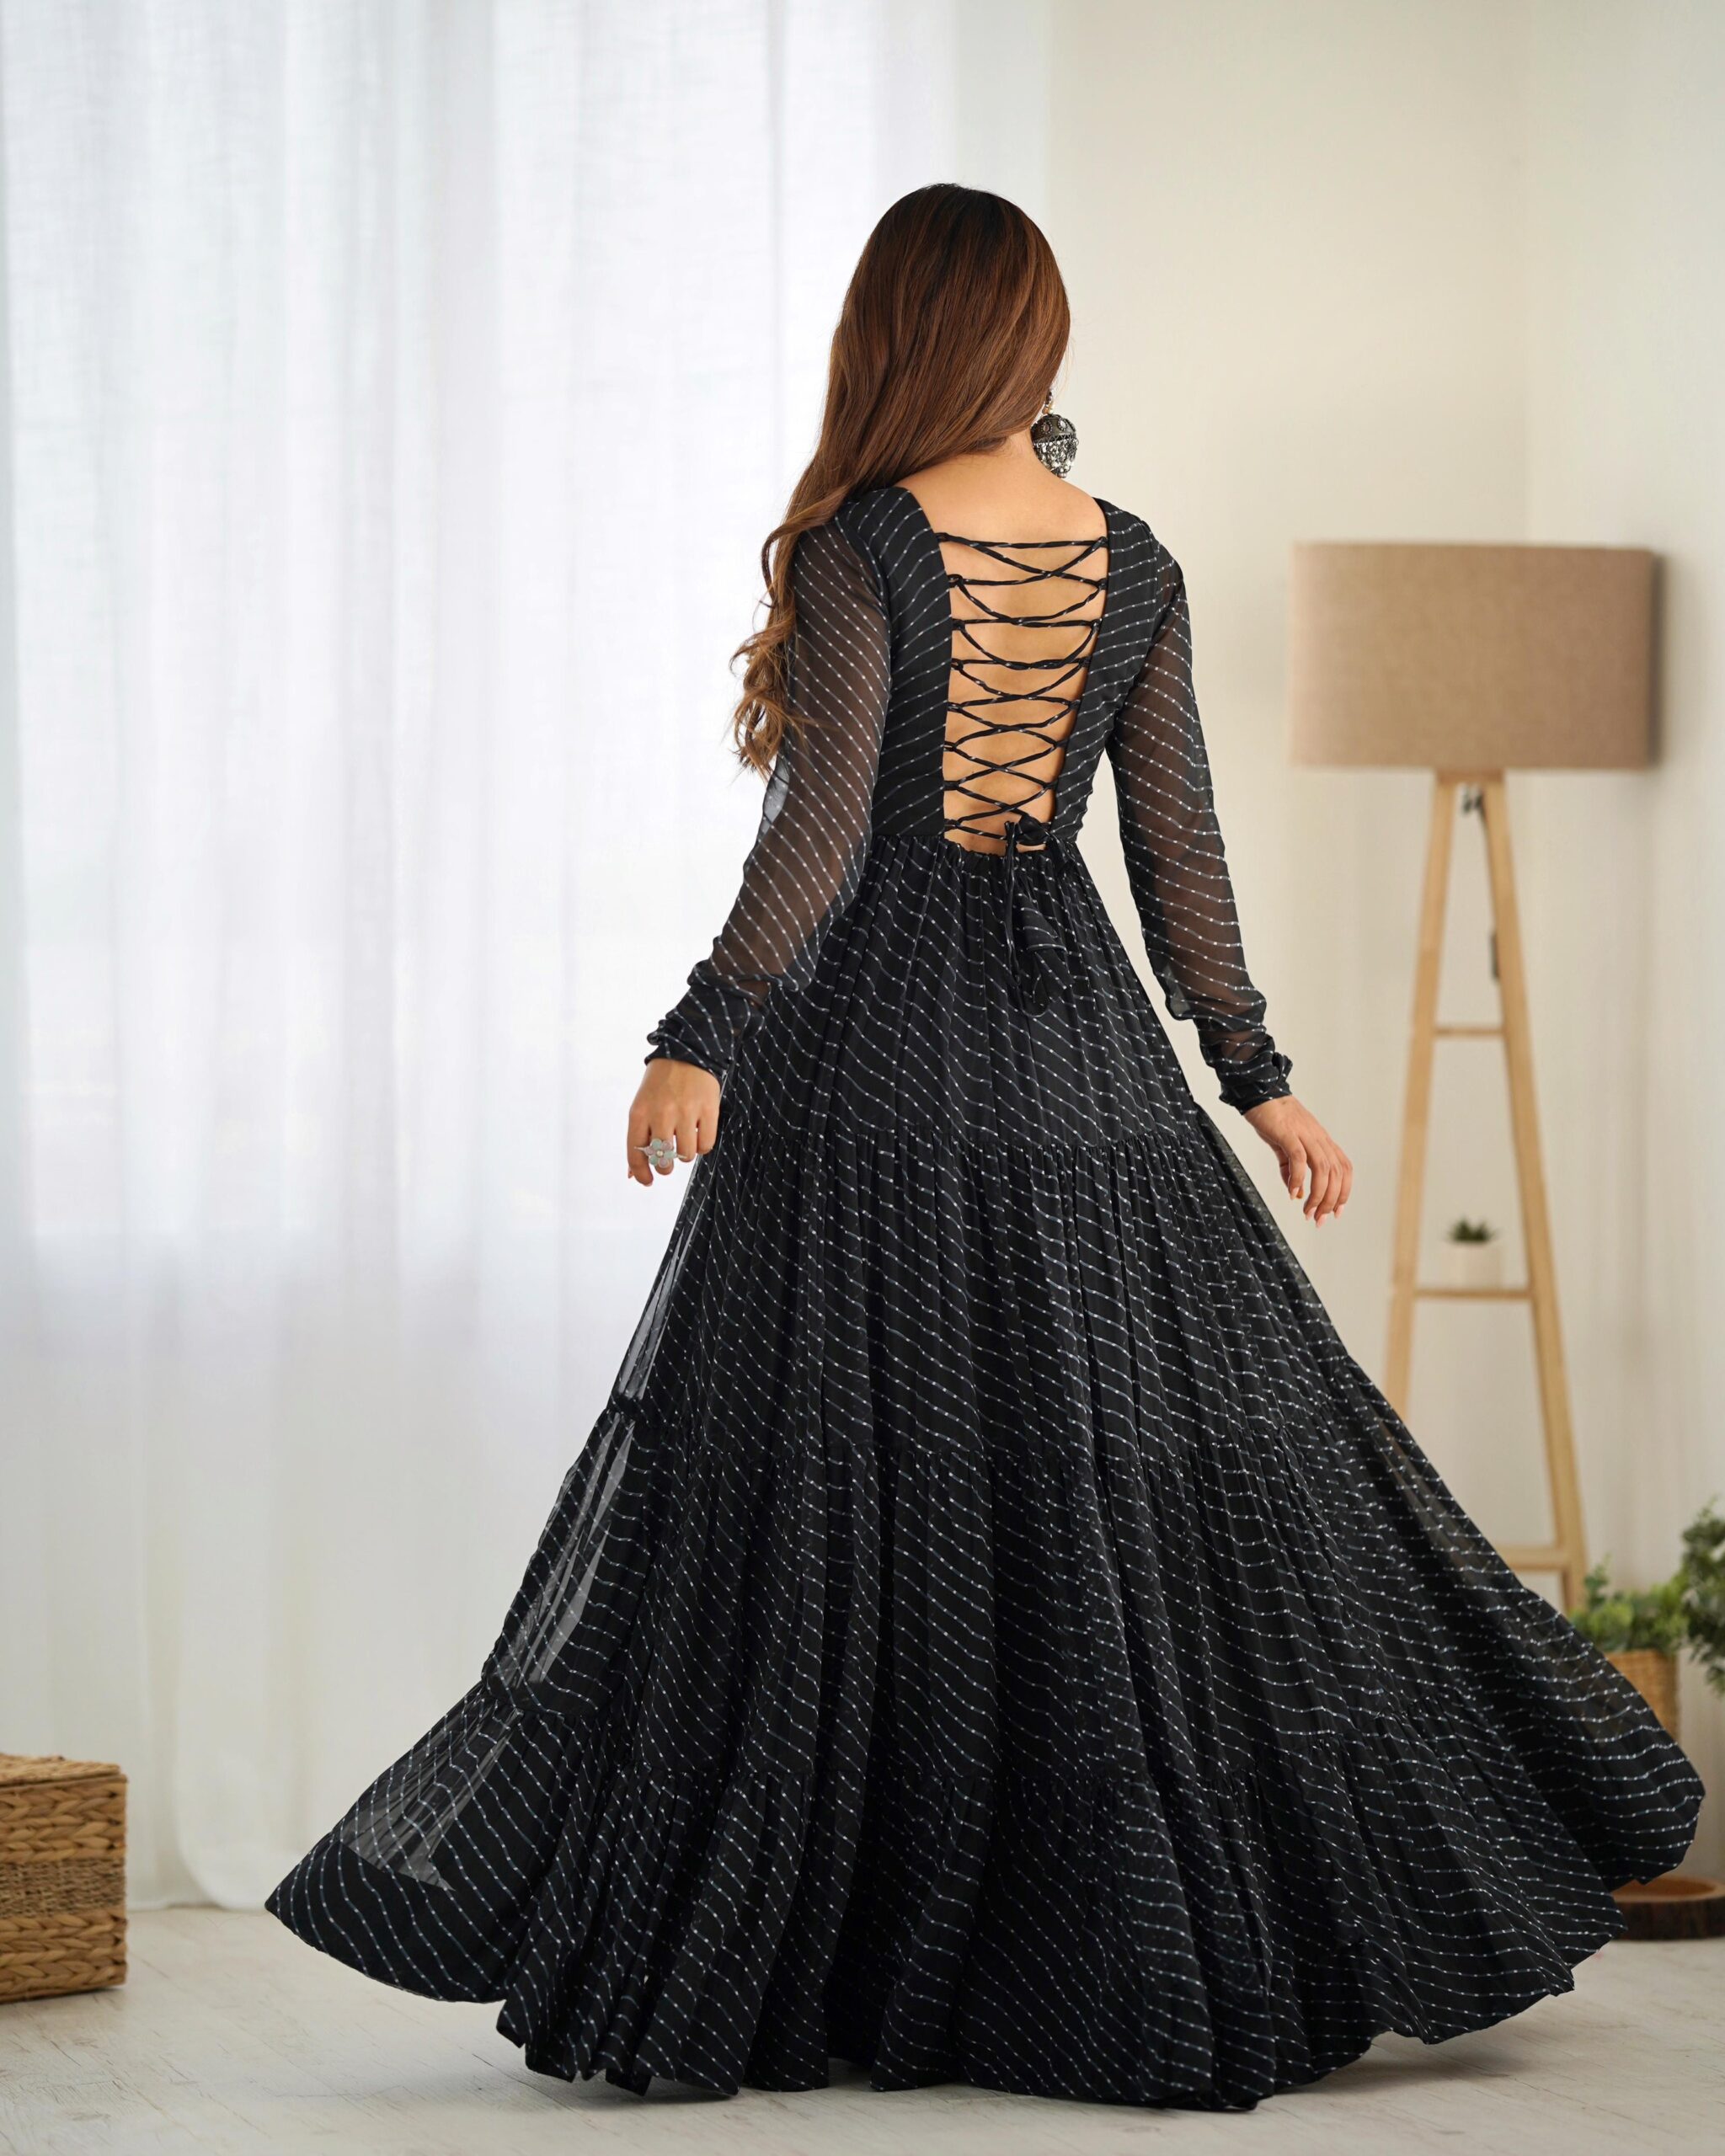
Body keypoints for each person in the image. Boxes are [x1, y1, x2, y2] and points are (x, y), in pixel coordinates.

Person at [266, 184, 1702, 2113]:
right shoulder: (1135, 559)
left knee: (832, 1496)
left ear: (894, 333)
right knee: (1085, 1489)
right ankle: (1085, 1941)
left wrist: (699, 1034)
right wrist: (1254, 1075)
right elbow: (1173, 846)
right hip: (1069, 1054)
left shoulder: (867, 542)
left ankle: (865, 1948)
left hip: (866, 1056)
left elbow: (826, 831)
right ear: (1032, 332)